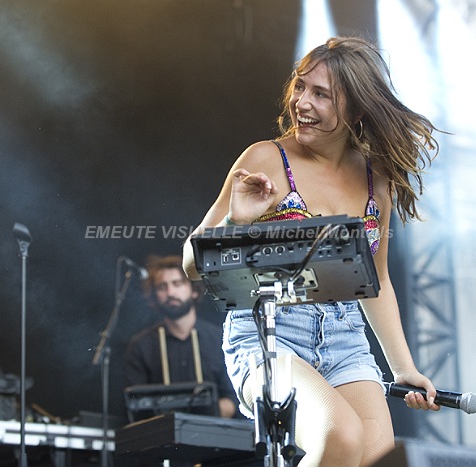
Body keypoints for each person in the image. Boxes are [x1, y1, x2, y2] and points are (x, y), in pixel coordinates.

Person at [182, 36, 442, 466]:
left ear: (356, 109)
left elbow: (375, 281)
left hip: (346, 341)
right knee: (341, 436)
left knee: (378, 457)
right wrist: (235, 223)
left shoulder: (376, 180)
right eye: (300, 87)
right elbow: (191, 265)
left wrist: (403, 369)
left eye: (321, 94)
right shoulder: (265, 158)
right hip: (269, 334)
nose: (302, 102)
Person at [121, 254, 237, 421]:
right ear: (154, 295)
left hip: (213, 434)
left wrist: (198, 417)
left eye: (177, 284)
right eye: (162, 287)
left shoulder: (221, 340)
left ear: (194, 290)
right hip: (162, 434)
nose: (170, 292)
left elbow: (234, 399)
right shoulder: (140, 346)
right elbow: (134, 407)